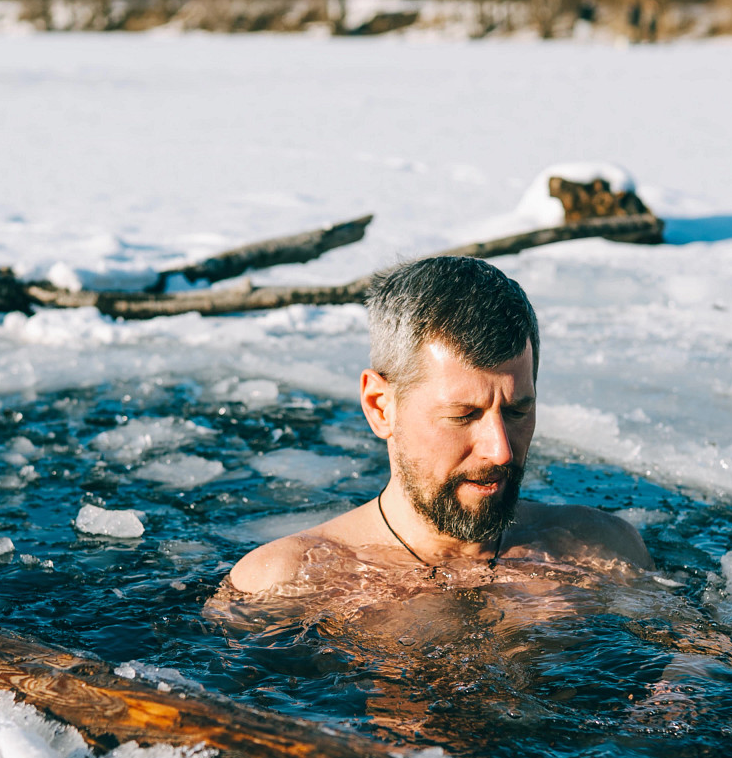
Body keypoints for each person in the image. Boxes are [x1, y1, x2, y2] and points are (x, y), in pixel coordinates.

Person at [224, 255, 653, 597]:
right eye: (462, 416)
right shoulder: (285, 585)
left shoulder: (602, 549)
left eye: (517, 412)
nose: (501, 450)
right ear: (380, 407)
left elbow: (698, 662)